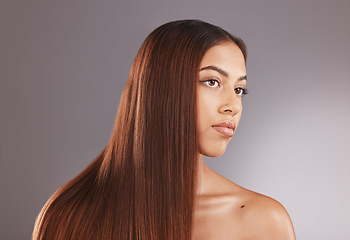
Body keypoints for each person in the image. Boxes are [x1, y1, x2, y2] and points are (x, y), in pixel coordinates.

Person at [32, 19, 296, 240]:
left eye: (239, 89)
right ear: (161, 88)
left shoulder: (263, 222)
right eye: (212, 81)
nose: (233, 106)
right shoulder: (69, 213)